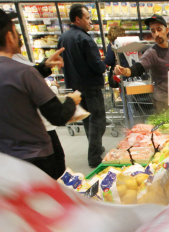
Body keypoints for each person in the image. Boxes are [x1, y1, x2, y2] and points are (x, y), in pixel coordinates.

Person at [0, 3, 79, 179]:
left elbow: (8, 81)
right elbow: (58, 116)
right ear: (10, 36)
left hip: (5, 157)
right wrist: (72, 101)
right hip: (37, 158)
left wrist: (43, 67)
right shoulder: (24, 72)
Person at [58, 4, 107, 168]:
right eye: (87, 18)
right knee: (98, 120)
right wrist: (105, 64)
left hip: (75, 87)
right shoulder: (85, 39)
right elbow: (97, 66)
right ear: (77, 19)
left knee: (86, 119)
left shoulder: (63, 37)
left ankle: (96, 147)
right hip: (91, 86)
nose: (90, 21)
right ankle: (94, 156)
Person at [113, 15, 169, 113]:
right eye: (153, 31)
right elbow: (136, 69)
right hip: (163, 101)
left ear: (167, 30)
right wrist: (123, 70)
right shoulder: (151, 53)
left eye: (159, 30)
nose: (156, 34)